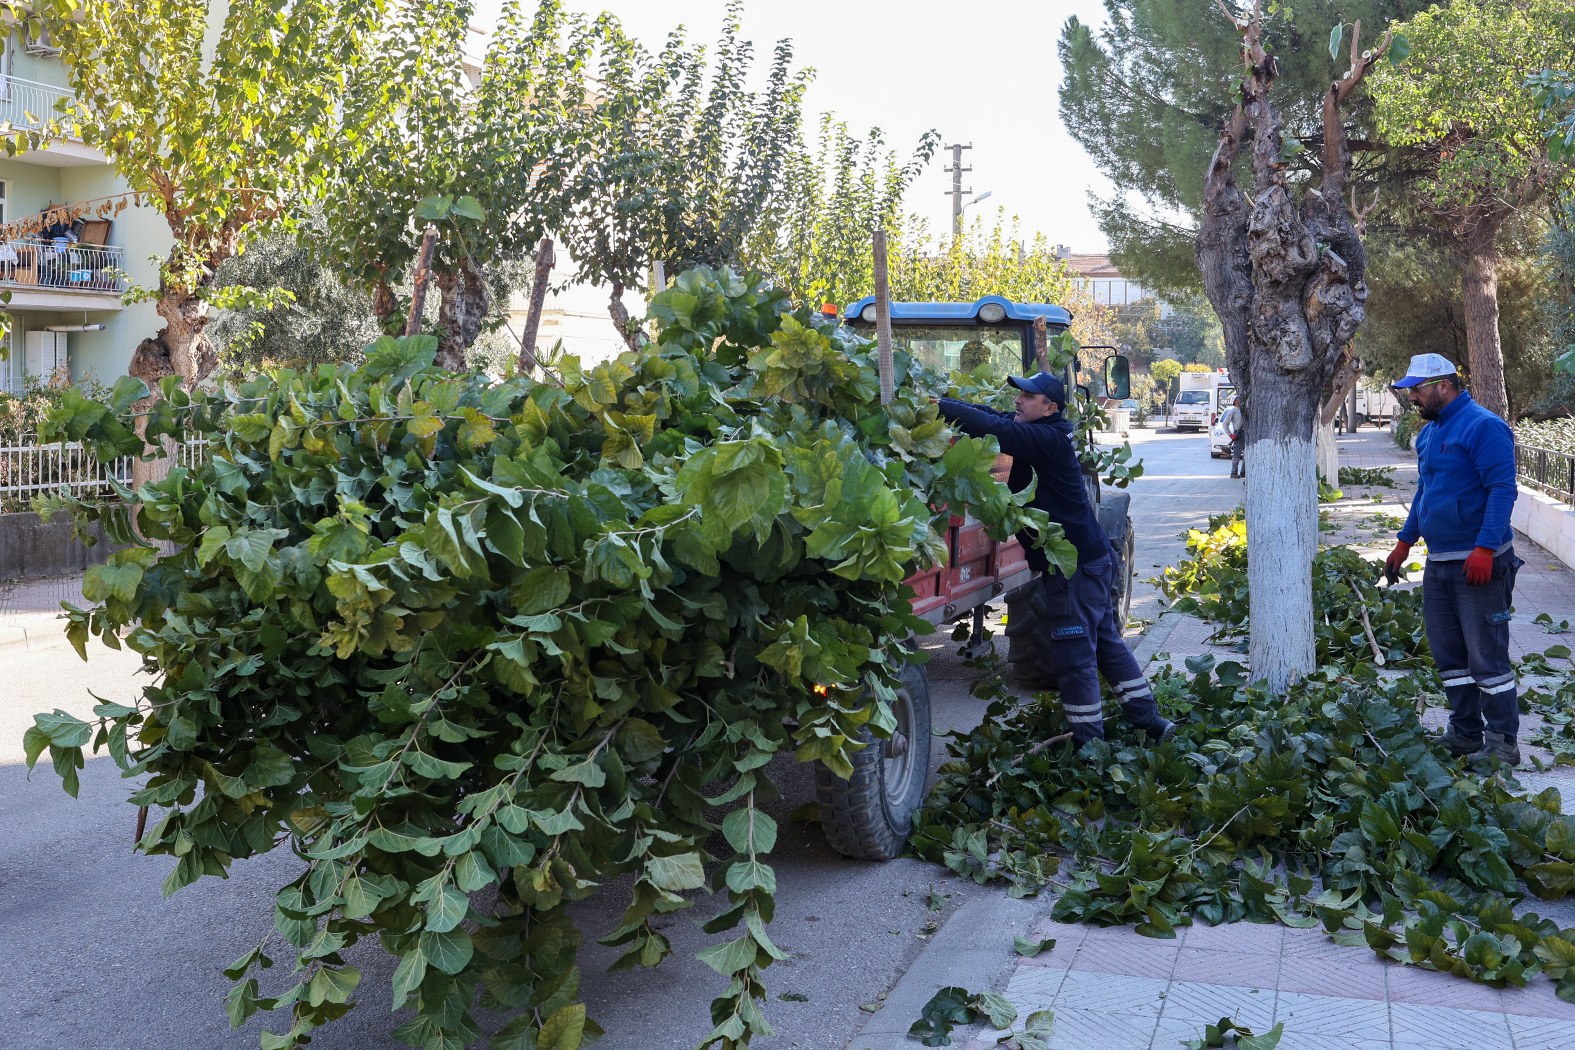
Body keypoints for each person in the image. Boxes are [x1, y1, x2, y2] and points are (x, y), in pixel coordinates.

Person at [937, 372, 1174, 744]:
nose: (1019, 399)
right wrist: (947, 406)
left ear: (1050, 407)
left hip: (1074, 567)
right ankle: (1151, 722)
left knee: (1074, 655)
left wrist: (940, 408)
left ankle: (1089, 745)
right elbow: (991, 415)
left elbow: (996, 430)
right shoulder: (1043, 428)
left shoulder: (1048, 439)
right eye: (1020, 393)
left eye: (1029, 396)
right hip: (1087, 560)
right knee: (1106, 644)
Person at [1383, 353, 1521, 765]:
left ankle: (1502, 745)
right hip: (1440, 561)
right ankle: (1465, 733)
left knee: (1486, 657)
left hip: (1480, 563)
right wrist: (1405, 541)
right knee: (1449, 655)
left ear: (1444, 386)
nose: (1412, 398)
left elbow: (1502, 490)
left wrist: (1484, 547)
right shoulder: (1430, 434)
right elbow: (1427, 491)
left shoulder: (1484, 427)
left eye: (1418, 390)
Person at [1220, 394, 1245, 479]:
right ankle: (1234, 472)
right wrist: (1231, 435)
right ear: (1235, 401)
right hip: (1238, 434)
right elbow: (1225, 424)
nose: (1240, 400)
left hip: (1247, 434)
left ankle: (1243, 472)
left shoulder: (1244, 410)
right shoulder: (1233, 411)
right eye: (1238, 399)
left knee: (1247, 455)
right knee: (1236, 456)